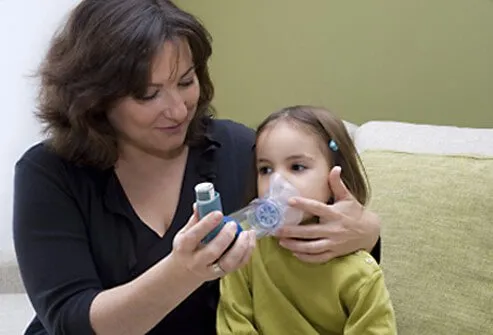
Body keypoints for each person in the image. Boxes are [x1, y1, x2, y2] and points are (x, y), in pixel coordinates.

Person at [12, 1, 381, 334]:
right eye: (147, 94)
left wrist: (367, 231)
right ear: (95, 97)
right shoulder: (48, 174)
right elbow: (70, 322)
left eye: (185, 81)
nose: (177, 110)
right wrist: (183, 272)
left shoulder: (239, 150)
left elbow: (310, 235)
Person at [217, 105, 396, 334]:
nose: (277, 183)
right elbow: (233, 323)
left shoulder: (360, 273)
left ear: (335, 176)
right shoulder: (245, 252)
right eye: (266, 169)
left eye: (297, 167)